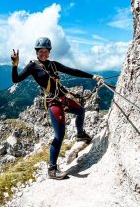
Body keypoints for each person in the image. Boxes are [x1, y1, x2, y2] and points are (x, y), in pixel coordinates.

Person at [11, 37, 104, 180]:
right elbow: (16, 80)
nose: (43, 54)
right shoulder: (32, 66)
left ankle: (80, 134)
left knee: (80, 110)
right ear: (36, 52)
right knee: (59, 135)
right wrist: (15, 65)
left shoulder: (53, 65)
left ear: (49, 52)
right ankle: (52, 170)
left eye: (46, 51)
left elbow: (72, 71)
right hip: (53, 102)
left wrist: (92, 76)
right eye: (41, 51)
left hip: (63, 98)